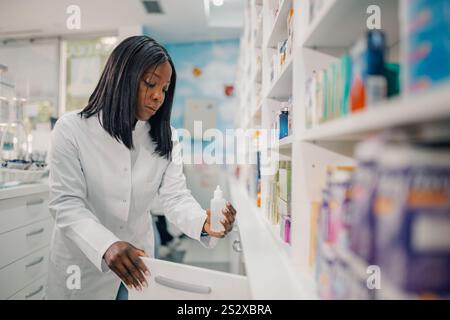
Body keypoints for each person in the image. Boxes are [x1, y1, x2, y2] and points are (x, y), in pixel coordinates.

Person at [46, 36, 237, 300]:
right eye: (150, 84)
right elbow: (67, 204)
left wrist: (205, 223)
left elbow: (175, 197)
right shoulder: (71, 130)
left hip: (139, 265)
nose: (158, 96)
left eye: (165, 88)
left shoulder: (165, 136)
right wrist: (106, 245)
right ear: (122, 78)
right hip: (82, 267)